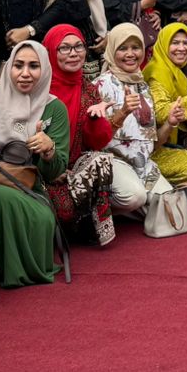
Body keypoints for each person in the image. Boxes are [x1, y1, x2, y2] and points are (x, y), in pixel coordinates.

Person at [0, 41, 69, 288]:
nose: (25, 73)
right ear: (8, 67)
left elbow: (56, 171)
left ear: (44, 70)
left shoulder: (54, 108)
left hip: (26, 185)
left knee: (37, 214)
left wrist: (48, 149)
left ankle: (9, 270)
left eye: (34, 66)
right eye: (18, 65)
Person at [38, 26, 115, 246]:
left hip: (74, 168)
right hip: (42, 169)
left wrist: (96, 118)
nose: (74, 53)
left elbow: (98, 142)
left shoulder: (89, 90)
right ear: (51, 52)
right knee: (62, 212)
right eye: (64, 48)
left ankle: (99, 231)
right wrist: (53, 167)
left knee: (101, 160)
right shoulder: (37, 90)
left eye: (79, 46)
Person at [141, 23, 187, 208]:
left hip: (170, 139)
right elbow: (161, 112)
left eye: (186, 43)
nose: (182, 48)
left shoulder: (175, 72)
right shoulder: (157, 72)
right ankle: (174, 206)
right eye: (175, 43)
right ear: (164, 44)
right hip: (151, 149)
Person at [92, 23, 157, 216]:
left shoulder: (142, 84)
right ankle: (102, 200)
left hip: (143, 162)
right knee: (135, 197)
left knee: (168, 204)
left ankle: (136, 205)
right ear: (112, 50)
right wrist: (123, 112)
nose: (130, 54)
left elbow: (149, 137)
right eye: (122, 48)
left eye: (135, 47)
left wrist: (170, 122)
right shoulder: (101, 85)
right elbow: (96, 140)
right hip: (115, 161)